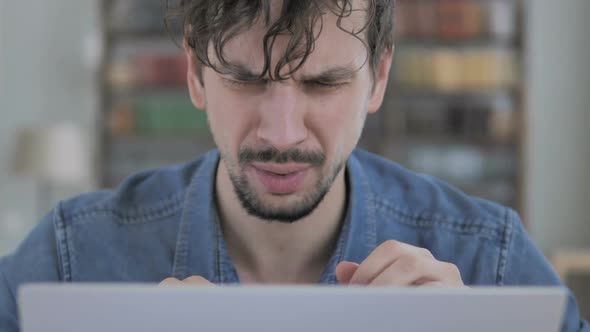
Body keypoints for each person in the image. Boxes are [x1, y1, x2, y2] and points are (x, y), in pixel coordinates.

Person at [0, 0, 588, 331]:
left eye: (324, 83)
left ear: (378, 79)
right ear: (195, 75)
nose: (281, 134)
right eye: (245, 79)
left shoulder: (495, 261)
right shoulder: (65, 259)